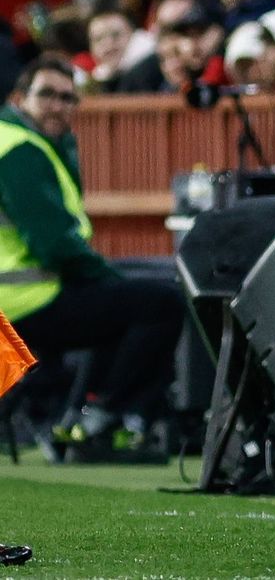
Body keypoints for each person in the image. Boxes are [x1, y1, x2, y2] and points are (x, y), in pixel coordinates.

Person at [0, 57, 185, 461]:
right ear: (18, 98)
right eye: (46, 94)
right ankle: (103, 419)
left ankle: (79, 417)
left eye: (67, 98)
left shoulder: (17, 140)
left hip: (22, 298)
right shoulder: (20, 149)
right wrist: (109, 277)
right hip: (24, 301)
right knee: (162, 304)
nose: (57, 105)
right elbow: (54, 244)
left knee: (120, 304)